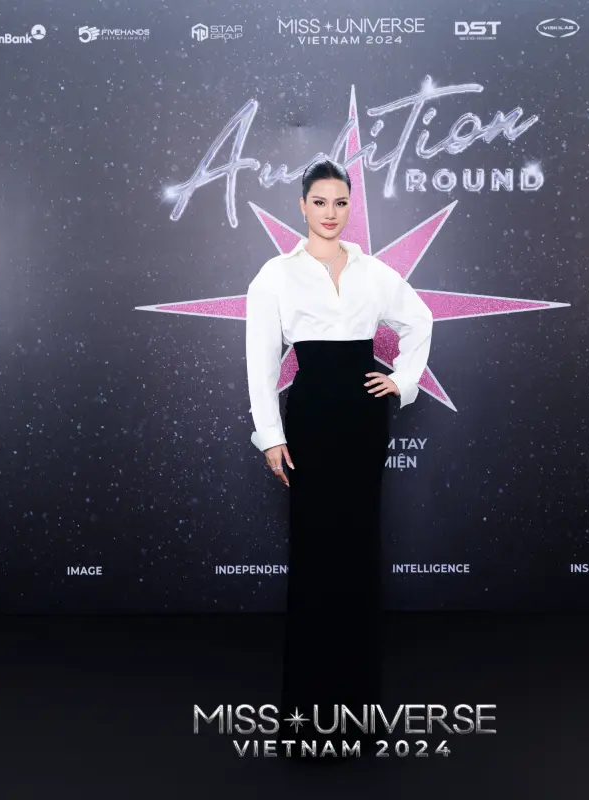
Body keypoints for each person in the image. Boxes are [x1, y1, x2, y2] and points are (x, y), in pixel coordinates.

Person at [245, 159, 433, 758]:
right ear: (302, 205)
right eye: (320, 202)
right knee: (314, 550)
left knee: (357, 547)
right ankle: (307, 712)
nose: (331, 212)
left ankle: (359, 707)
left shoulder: (374, 272)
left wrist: (401, 381)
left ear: (351, 206)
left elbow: (420, 319)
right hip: (308, 421)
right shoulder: (275, 275)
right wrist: (270, 435)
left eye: (341, 202)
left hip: (361, 421)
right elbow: (259, 362)